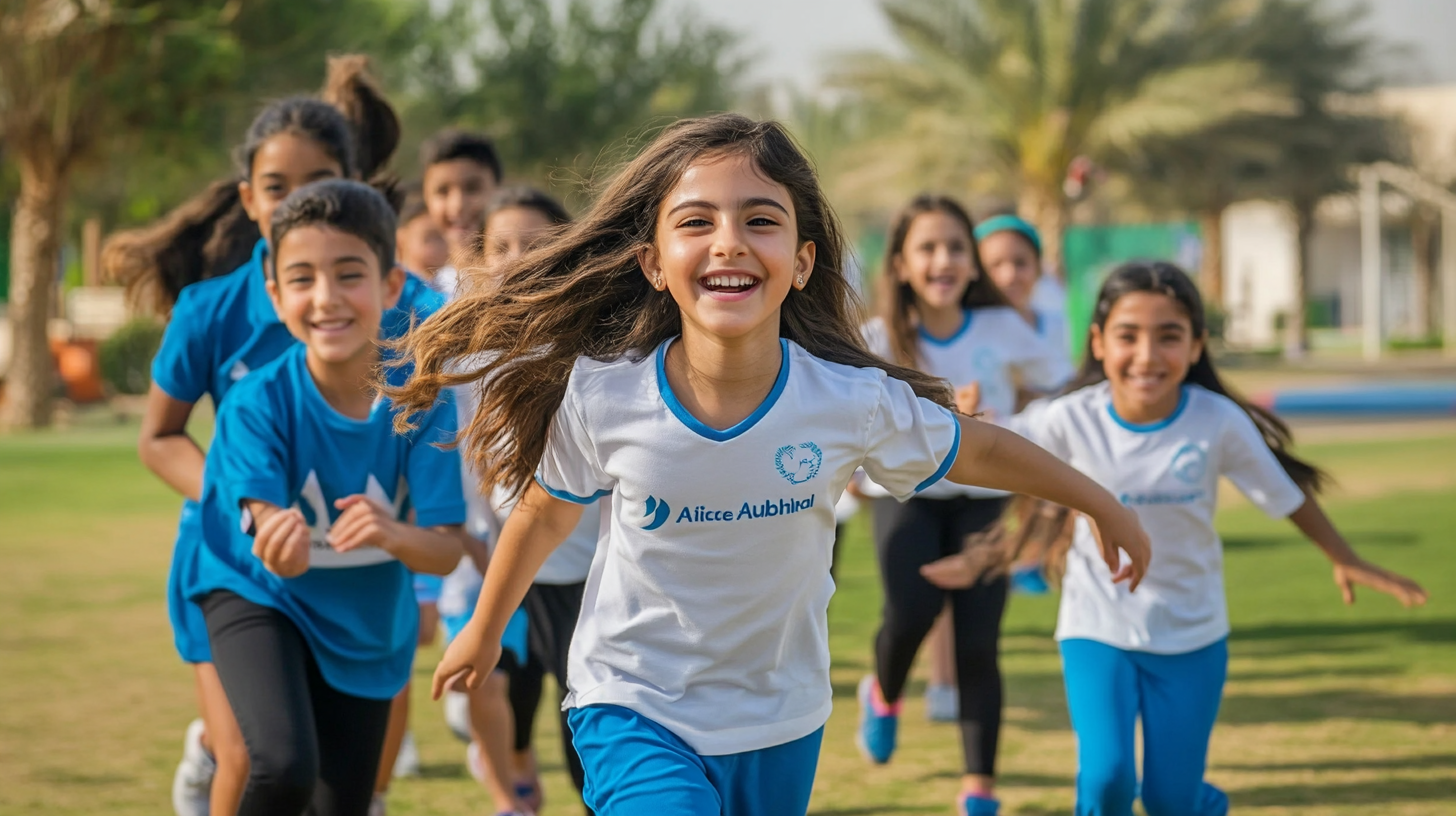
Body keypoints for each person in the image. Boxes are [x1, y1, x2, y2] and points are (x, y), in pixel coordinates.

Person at [389, 113, 1151, 816]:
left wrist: (1100, 503)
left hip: (779, 712)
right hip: (631, 699)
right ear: (654, 263)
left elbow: (976, 446)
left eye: (761, 220)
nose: (729, 242)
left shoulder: (849, 401)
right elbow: (544, 511)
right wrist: (485, 629)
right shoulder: (607, 394)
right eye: (697, 222)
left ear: (802, 261)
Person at [927, 261, 1428, 816]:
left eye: (1169, 337)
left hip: (1192, 633)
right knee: (1108, 779)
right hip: (1098, 628)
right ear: (1097, 342)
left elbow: (1286, 495)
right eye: (1127, 336)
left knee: (1170, 801)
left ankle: (1195, 802)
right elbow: (993, 450)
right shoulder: (1069, 418)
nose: (1147, 356)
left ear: (1195, 347)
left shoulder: (1218, 421)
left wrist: (1344, 556)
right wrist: (966, 419)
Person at [104, 56, 428, 816]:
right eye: (279, 187)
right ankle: (211, 755)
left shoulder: (403, 304)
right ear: (250, 198)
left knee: (337, 779)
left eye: (320, 179)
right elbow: (160, 438)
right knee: (259, 758)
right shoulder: (211, 310)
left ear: (357, 184)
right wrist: (249, 505)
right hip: (238, 557)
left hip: (354, 564)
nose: (301, 198)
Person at [192, 179, 470, 816]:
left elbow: (445, 552)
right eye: (301, 279)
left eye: (349, 275)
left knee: (341, 802)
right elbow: (266, 535)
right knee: (284, 766)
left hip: (366, 614)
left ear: (391, 286)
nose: (325, 299)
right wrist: (279, 543)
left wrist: (390, 532)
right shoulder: (256, 401)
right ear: (275, 295)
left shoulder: (421, 398)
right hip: (258, 593)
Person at [857, 194, 1073, 813]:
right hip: (910, 497)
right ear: (900, 264)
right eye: (926, 248)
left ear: (974, 264)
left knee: (979, 642)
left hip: (984, 499)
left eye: (956, 247)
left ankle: (979, 791)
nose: (943, 260)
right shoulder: (875, 339)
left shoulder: (1007, 328)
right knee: (911, 614)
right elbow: (856, 418)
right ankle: (885, 693)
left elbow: (1058, 398)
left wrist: (1003, 418)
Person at [973, 213, 1077, 598]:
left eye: (1021, 263)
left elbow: (1060, 380)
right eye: (995, 264)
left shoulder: (1050, 322)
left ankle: (1034, 561)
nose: (1010, 275)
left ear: (1038, 268)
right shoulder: (965, 328)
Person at [418, 128, 503, 297]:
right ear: (426, 197)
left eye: (472, 189)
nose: (457, 205)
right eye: (443, 191)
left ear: (498, 190)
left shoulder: (520, 279)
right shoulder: (426, 296)